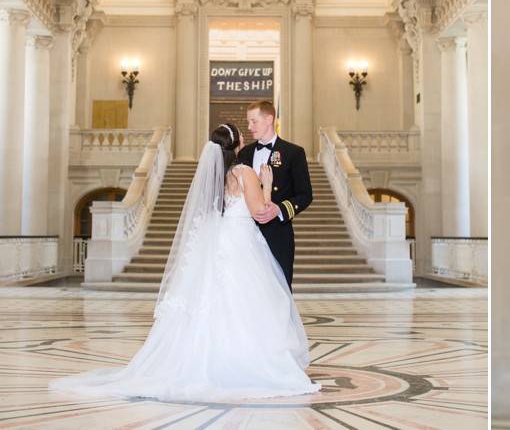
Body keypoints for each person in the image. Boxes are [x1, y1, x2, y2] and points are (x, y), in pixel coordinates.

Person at [50, 123, 320, 401]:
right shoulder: (245, 173)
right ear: (237, 144)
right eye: (241, 133)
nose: (245, 134)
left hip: (218, 239)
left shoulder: (215, 176)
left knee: (211, 300)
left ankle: (204, 359)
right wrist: (265, 185)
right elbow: (259, 212)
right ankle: (245, 361)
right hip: (242, 241)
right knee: (249, 300)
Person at [239, 100, 313, 288]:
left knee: (279, 290)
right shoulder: (244, 153)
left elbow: (305, 195)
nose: (249, 127)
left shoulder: (293, 153)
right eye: (248, 122)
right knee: (247, 288)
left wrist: (279, 210)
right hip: (246, 232)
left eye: (254, 121)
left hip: (278, 233)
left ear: (269, 119)